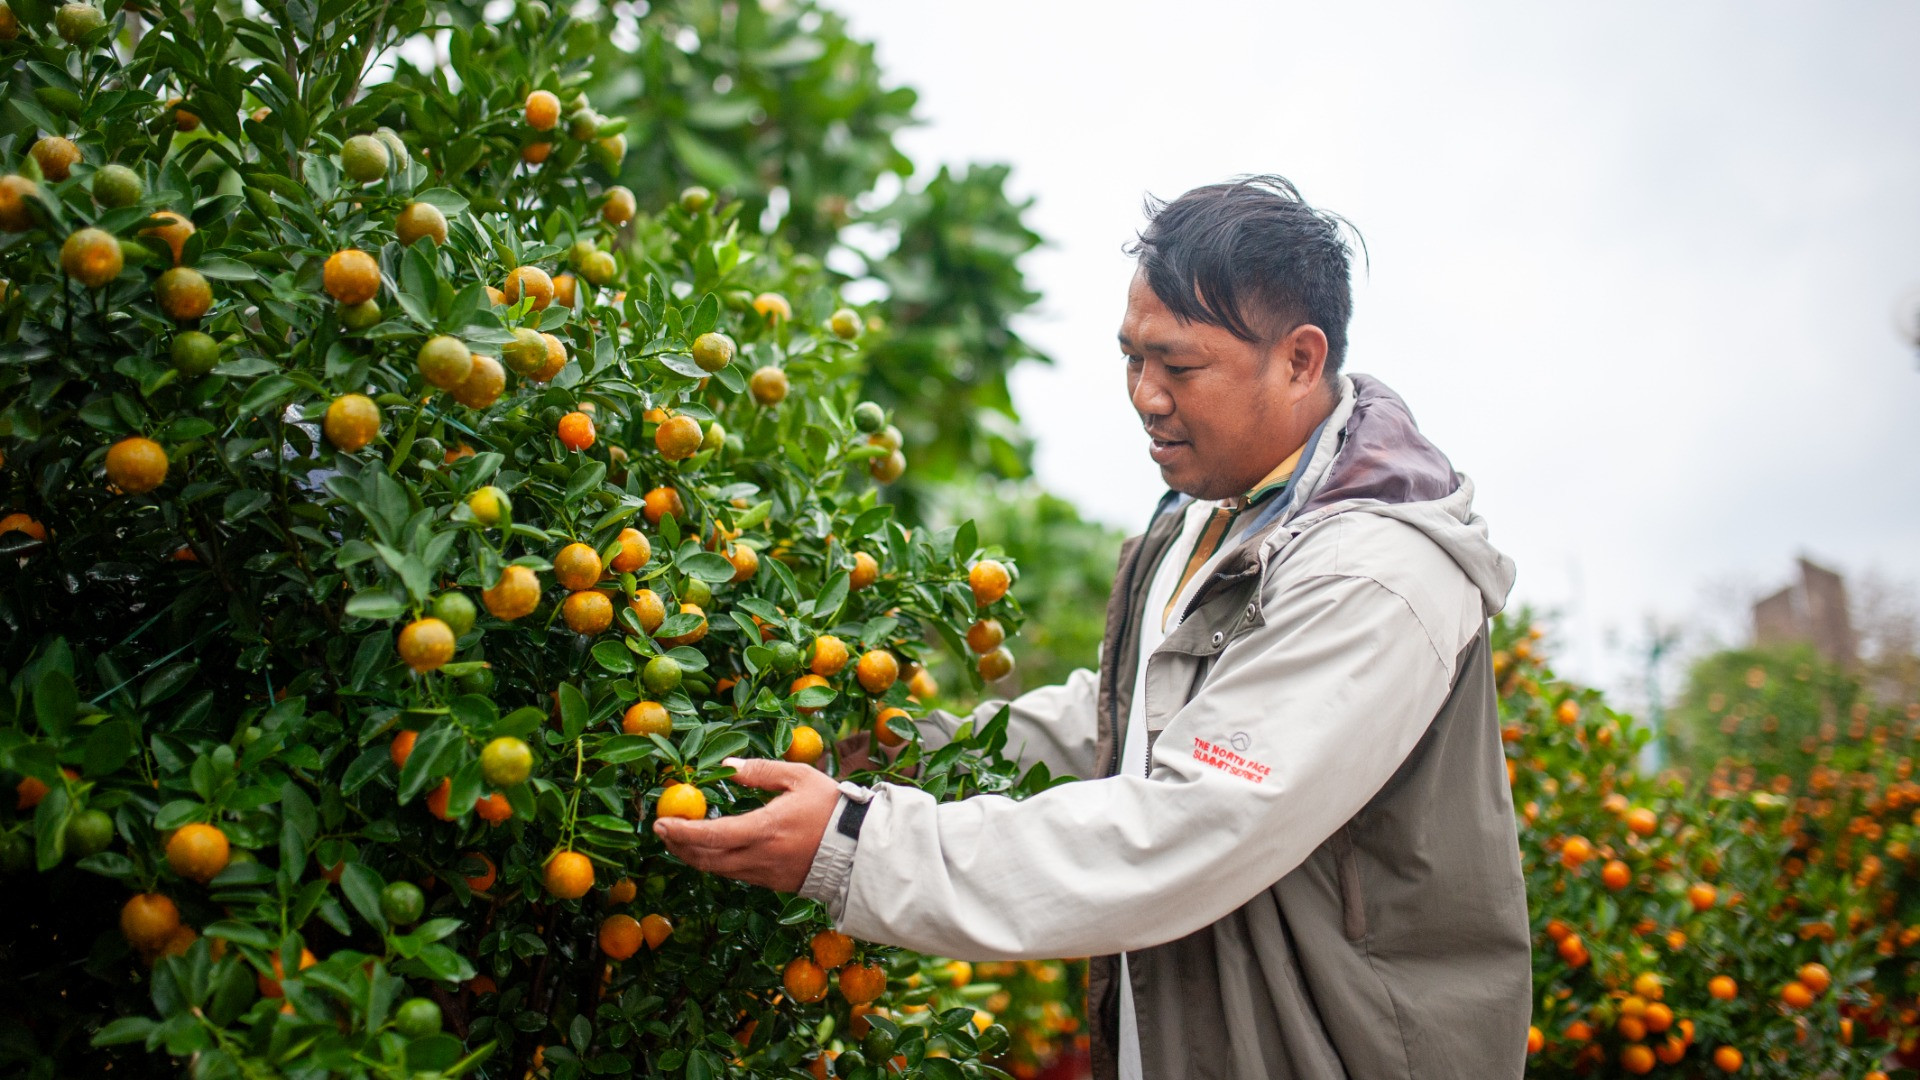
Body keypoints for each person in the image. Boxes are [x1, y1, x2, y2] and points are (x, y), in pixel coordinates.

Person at [654, 175, 1532, 1079]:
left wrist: (858, 847)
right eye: (1130, 358)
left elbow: (1194, 822)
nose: (1145, 396)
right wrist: (895, 750)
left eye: (1178, 366)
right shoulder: (1207, 520)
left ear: (1301, 360)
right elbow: (1120, 725)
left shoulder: (1374, 579)